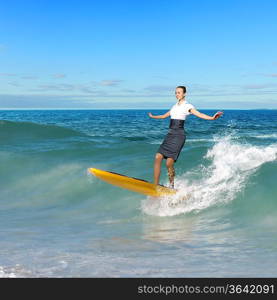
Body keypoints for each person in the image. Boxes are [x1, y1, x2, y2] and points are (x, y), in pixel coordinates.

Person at [148, 85, 223, 189]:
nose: (177, 94)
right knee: (158, 157)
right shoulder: (174, 106)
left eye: (179, 92)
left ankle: (171, 186)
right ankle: (154, 186)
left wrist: (212, 118)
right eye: (176, 92)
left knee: (169, 163)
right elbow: (164, 116)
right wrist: (153, 116)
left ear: (184, 94)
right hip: (170, 135)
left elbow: (199, 113)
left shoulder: (188, 106)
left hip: (179, 136)